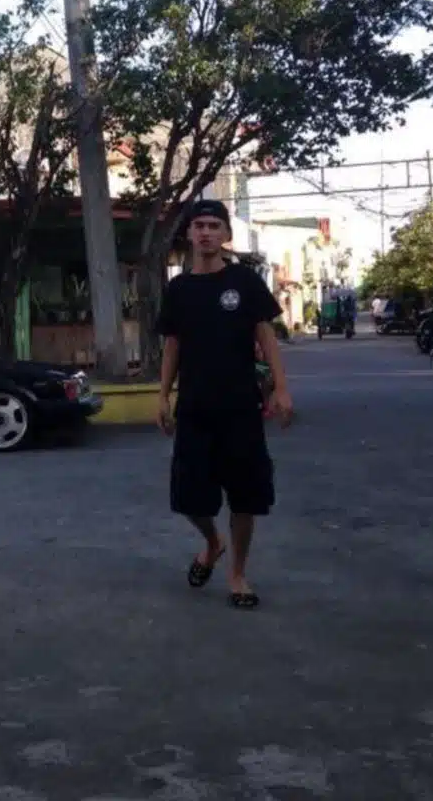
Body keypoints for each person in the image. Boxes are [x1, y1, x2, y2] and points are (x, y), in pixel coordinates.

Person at [156, 199, 293, 610]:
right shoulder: (179, 290)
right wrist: (162, 396)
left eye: (214, 225)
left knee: (246, 498)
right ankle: (213, 542)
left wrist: (281, 388)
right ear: (189, 233)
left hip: (241, 408)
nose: (206, 232)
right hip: (194, 409)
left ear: (226, 234)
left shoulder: (244, 281)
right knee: (189, 498)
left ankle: (237, 575)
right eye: (199, 225)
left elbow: (266, 336)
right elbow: (172, 345)